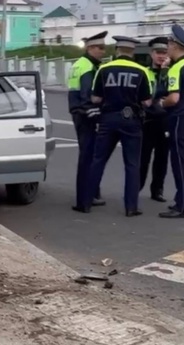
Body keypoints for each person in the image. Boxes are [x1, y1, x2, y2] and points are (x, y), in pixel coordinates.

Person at [84, 36, 153, 217]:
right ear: (132, 51)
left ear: (117, 50)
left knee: (98, 160)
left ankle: (86, 202)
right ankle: (131, 207)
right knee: (132, 164)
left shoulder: (104, 69)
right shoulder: (142, 71)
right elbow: (146, 101)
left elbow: (95, 98)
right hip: (132, 121)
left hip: (108, 119)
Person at [67, 31, 108, 213]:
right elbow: (86, 97)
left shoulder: (80, 63)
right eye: (100, 48)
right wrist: (96, 117)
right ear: (91, 48)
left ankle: (89, 195)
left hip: (78, 113)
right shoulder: (88, 68)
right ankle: (85, 199)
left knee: (87, 156)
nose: (103, 51)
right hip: (85, 115)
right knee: (88, 157)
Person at [158, 25, 184, 219]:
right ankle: (182, 200)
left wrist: (162, 102)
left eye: (169, 44)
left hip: (179, 119)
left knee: (180, 163)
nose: (167, 48)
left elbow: (173, 98)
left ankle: (183, 206)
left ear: (176, 46)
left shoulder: (176, 69)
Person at [139, 37, 170, 203]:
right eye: (158, 52)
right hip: (147, 120)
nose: (161, 56)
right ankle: (136, 187)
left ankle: (157, 190)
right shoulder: (144, 72)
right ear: (151, 54)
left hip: (165, 120)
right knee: (142, 158)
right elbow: (149, 96)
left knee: (162, 158)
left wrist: (165, 72)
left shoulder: (172, 72)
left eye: (165, 53)